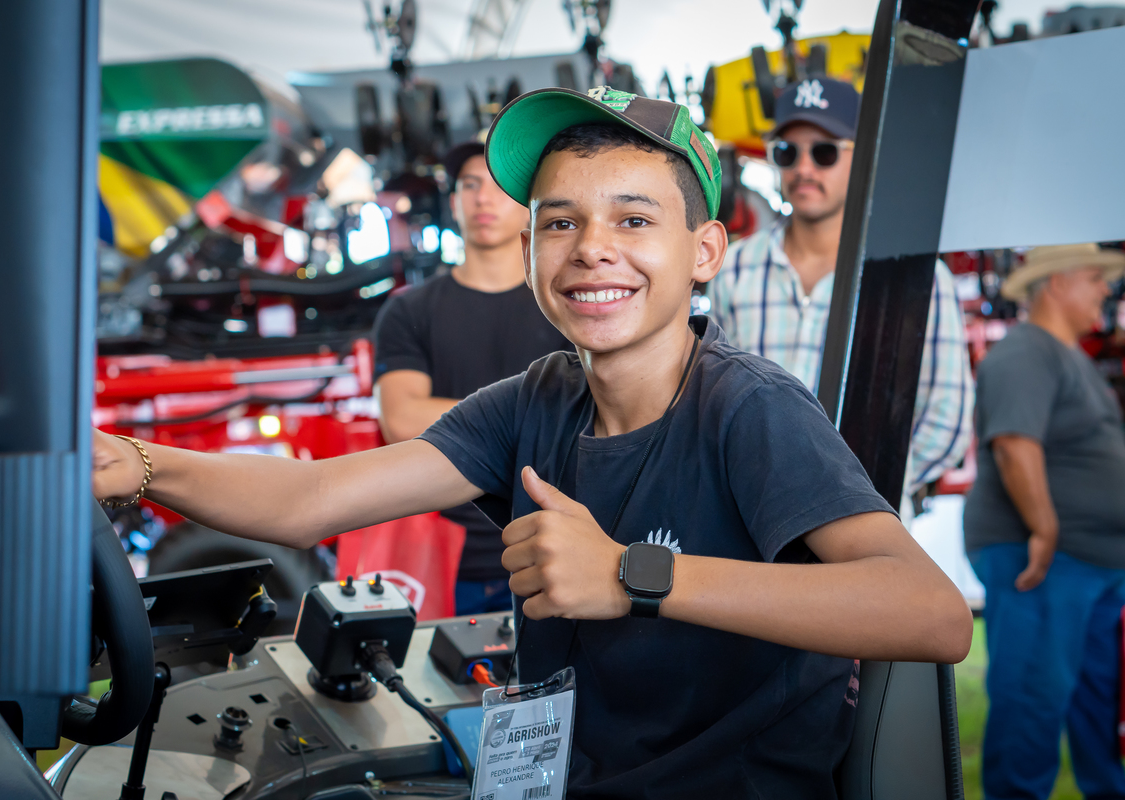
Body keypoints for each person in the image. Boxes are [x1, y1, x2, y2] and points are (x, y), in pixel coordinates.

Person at [93, 86, 972, 798]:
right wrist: (135, 462)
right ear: (528, 252)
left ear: (704, 251)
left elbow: (928, 614)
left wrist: (633, 574)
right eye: (560, 222)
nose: (592, 249)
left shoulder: (749, 408)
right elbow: (309, 499)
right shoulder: (535, 401)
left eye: (633, 220)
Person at [705, 77, 973, 516]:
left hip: (865, 527)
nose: (804, 169)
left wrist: (856, 488)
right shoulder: (734, 266)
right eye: (788, 152)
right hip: (746, 516)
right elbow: (713, 393)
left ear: (863, 156)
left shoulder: (916, 278)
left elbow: (948, 416)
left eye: (825, 151)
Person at [373, 138, 570, 615]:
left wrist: (455, 422)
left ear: (528, 201)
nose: (482, 198)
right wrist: (535, 418)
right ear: (454, 199)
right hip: (446, 556)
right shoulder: (409, 311)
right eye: (469, 185)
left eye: (497, 185)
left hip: (559, 548)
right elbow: (399, 420)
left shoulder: (570, 304)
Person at [964, 243, 1125, 800]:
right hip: (1046, 558)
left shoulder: (1065, 354)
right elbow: (1013, 445)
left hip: (1089, 562)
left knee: (1098, 705)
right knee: (1032, 700)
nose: (1107, 289)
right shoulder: (1028, 351)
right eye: (1095, 278)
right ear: (1056, 283)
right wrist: (1045, 529)